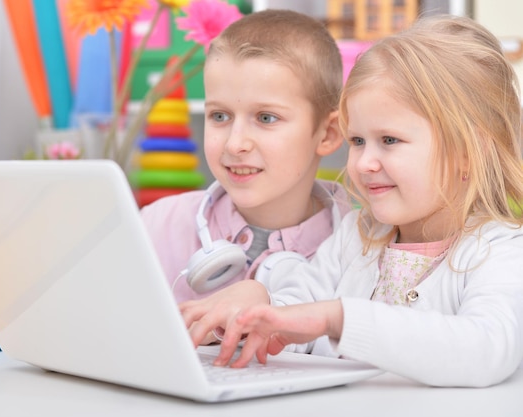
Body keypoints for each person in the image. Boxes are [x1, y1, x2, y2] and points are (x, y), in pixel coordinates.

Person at [179, 14, 523, 388]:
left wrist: (340, 319)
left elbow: (487, 349)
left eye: (389, 140)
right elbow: (299, 309)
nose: (363, 162)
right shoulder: (357, 236)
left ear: (467, 153)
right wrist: (259, 302)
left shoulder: (500, 251)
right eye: (358, 141)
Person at [141, 9, 350, 306]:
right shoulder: (157, 226)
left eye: (266, 117)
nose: (235, 143)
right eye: (220, 115)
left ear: (327, 134)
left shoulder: (363, 253)